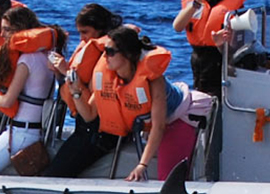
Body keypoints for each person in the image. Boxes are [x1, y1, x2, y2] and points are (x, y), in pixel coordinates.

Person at [65, 26, 200, 182]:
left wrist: (142, 165)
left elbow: (159, 126)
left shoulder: (154, 81)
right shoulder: (111, 79)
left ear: (127, 55)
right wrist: (76, 92)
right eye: (104, 51)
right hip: (152, 123)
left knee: (167, 179)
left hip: (180, 116)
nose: (105, 57)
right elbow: (89, 115)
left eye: (110, 52)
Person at [0, 6, 66, 175]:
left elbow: (7, 101)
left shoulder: (27, 60)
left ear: (20, 30)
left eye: (6, 30)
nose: (2, 35)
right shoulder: (48, 56)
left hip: (20, 135)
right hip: (35, 134)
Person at [42, 3, 124, 177]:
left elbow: (89, 113)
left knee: (53, 176)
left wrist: (67, 73)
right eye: (79, 33)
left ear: (100, 30)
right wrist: (61, 74)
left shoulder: (109, 61)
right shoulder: (92, 52)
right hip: (85, 130)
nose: (82, 39)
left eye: (85, 32)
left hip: (97, 134)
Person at [172, 0, 251, 100]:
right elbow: (177, 26)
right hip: (198, 62)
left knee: (215, 104)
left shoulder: (234, 8)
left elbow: (239, 52)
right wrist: (197, 1)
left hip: (222, 64)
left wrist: (221, 45)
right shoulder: (196, 0)